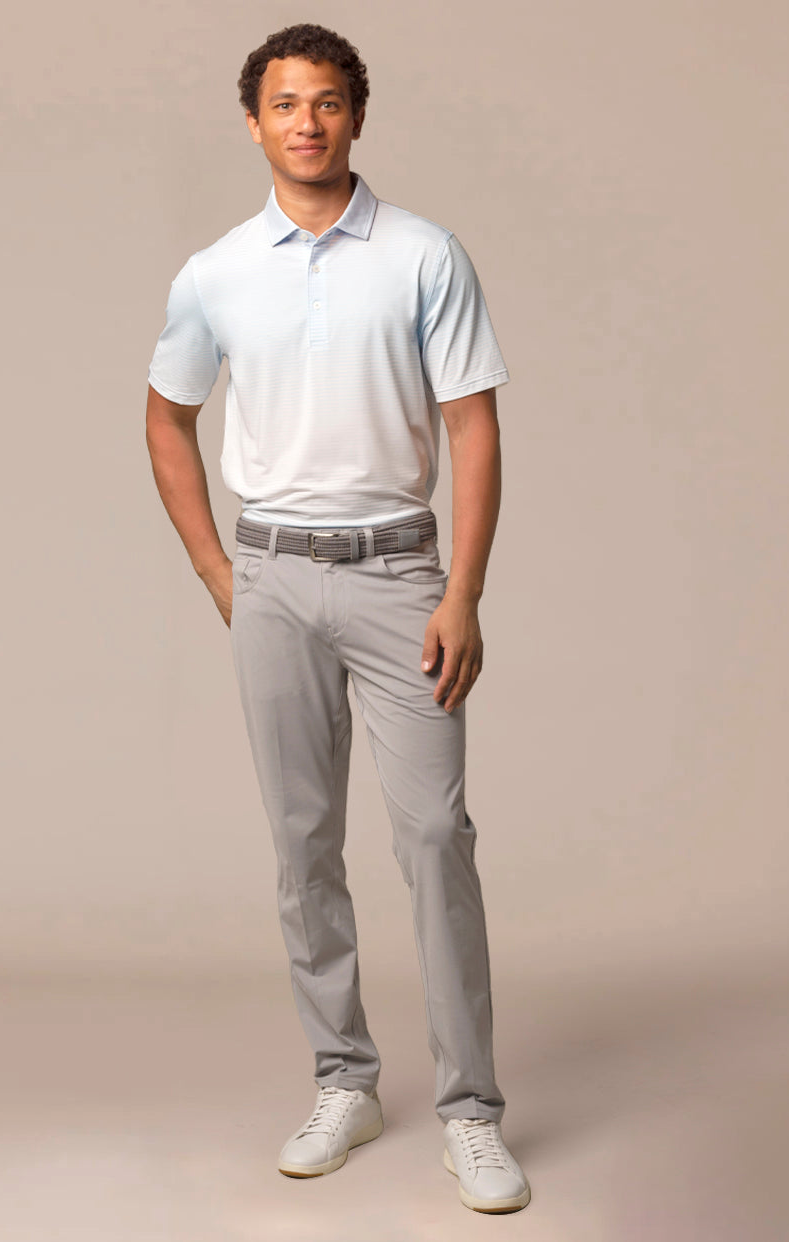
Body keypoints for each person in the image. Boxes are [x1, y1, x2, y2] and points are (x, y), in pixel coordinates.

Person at [144, 23, 530, 1215]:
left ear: (355, 115)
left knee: (434, 838)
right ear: (253, 122)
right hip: (271, 579)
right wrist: (217, 570)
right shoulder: (215, 271)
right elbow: (166, 418)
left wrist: (463, 592)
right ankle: (343, 1080)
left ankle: (470, 1111)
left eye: (325, 101)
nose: (305, 122)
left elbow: (472, 426)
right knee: (303, 845)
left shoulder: (423, 255)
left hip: (399, 577)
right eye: (283, 103)